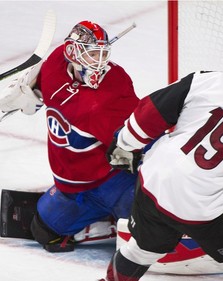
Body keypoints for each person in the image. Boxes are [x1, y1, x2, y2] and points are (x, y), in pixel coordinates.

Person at [102, 40, 223, 281]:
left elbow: (149, 113)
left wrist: (124, 144)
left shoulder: (207, 80)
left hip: (152, 183)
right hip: (200, 210)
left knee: (143, 249)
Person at [0, 21, 139, 252]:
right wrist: (29, 91)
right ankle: (108, 223)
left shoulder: (110, 90)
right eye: (93, 54)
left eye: (102, 54)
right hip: (73, 187)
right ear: (72, 53)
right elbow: (41, 85)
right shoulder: (55, 64)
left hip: (114, 181)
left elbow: (138, 137)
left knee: (150, 229)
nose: (100, 62)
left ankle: (128, 219)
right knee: (43, 232)